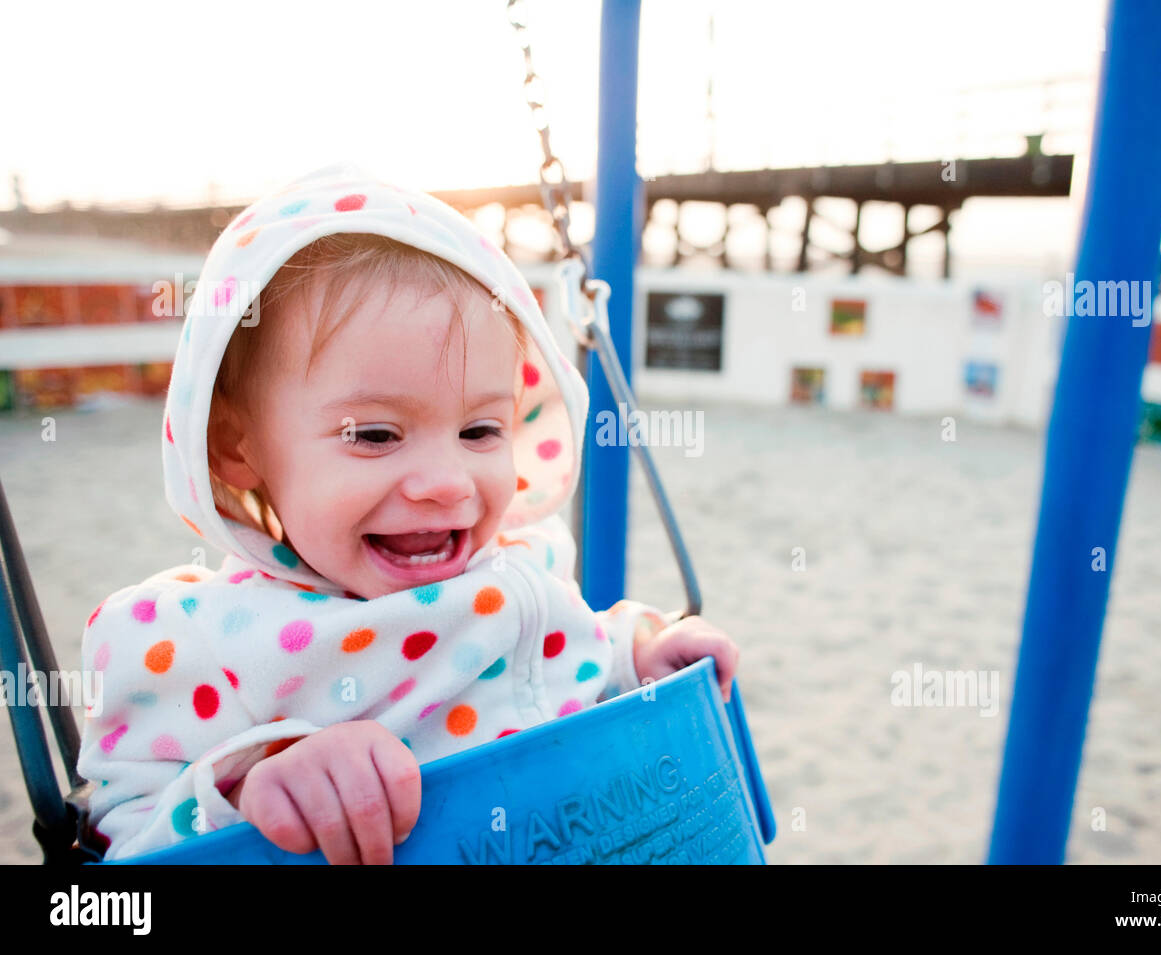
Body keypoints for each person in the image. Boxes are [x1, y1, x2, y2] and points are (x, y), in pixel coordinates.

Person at [75, 163, 739, 864]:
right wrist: (249, 786)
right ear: (236, 448)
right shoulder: (195, 637)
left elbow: (573, 665)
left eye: (480, 431)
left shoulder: (525, 568)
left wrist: (638, 656)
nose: (445, 483)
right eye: (376, 435)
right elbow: (123, 840)